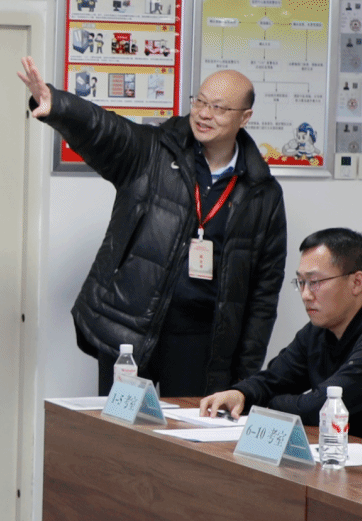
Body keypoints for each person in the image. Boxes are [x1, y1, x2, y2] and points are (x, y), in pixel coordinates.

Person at [19, 57, 286, 397]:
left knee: (185, 430)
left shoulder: (263, 193)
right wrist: (58, 105)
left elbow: (264, 293)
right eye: (200, 102)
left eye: (218, 108)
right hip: (130, 328)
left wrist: (246, 378)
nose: (204, 114)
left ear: (244, 117)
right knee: (121, 428)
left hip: (201, 344)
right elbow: (106, 130)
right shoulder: (154, 151)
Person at [198, 228, 362, 451]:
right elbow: (274, 379)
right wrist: (241, 394)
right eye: (300, 282)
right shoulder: (320, 329)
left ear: (356, 282)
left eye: (315, 282)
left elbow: (321, 408)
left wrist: (265, 403)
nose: (305, 295)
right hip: (357, 458)